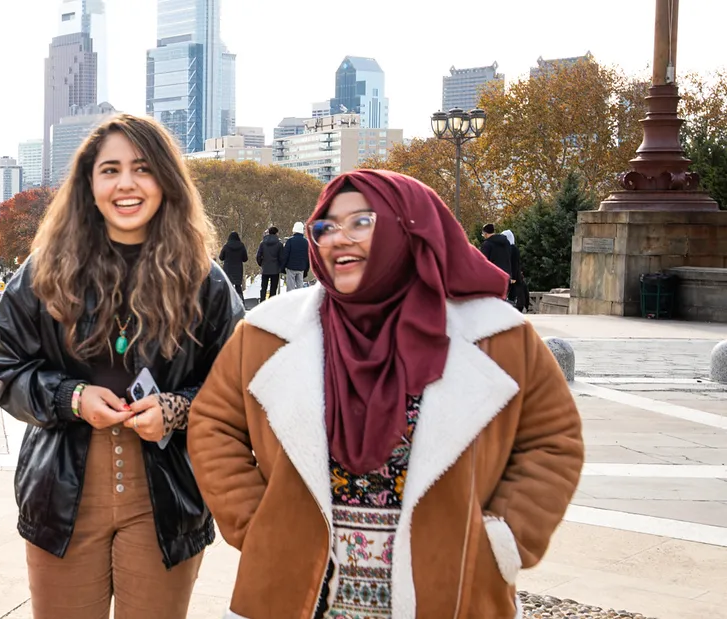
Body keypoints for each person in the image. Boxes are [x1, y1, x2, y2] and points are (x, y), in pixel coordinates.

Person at [188, 169, 583, 618]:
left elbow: (554, 439)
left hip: (444, 588)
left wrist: (506, 537)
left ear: (407, 227)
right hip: (298, 590)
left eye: (361, 222)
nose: (339, 238)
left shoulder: (496, 335)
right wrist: (257, 522)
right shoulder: (268, 332)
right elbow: (213, 424)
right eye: (326, 226)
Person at [0, 113, 244, 619]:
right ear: (89, 183)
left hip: (166, 496)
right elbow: (6, 366)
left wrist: (175, 408)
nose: (126, 183)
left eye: (142, 168)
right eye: (110, 170)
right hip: (61, 495)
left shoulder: (203, 279)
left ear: (166, 179)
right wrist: (72, 398)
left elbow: (235, 384)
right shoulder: (43, 271)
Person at [257, 226, 285, 301]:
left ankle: (262, 301)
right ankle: (271, 303)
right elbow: (282, 257)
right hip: (275, 269)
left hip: (265, 268)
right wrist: (280, 267)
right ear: (276, 233)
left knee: (263, 288)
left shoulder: (262, 244)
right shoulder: (279, 244)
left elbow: (258, 256)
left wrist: (261, 264)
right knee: (273, 289)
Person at [503, 229, 529, 311]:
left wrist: (513, 277)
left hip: (514, 277)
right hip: (513, 276)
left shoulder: (512, 249)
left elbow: (514, 263)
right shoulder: (509, 248)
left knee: (513, 295)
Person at [218, 231, 248, 298]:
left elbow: (221, 257)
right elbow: (245, 259)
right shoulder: (242, 246)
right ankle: (241, 302)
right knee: (238, 286)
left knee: (228, 286)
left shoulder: (226, 246)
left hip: (228, 269)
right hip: (238, 270)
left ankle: (228, 303)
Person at [284, 221, 310, 290]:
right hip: (301, 268)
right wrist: (306, 269)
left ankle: (290, 300)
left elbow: (285, 255)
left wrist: (283, 267)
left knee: (290, 288)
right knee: (300, 288)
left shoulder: (290, 241)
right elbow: (307, 257)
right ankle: (300, 300)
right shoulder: (306, 242)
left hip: (291, 267)